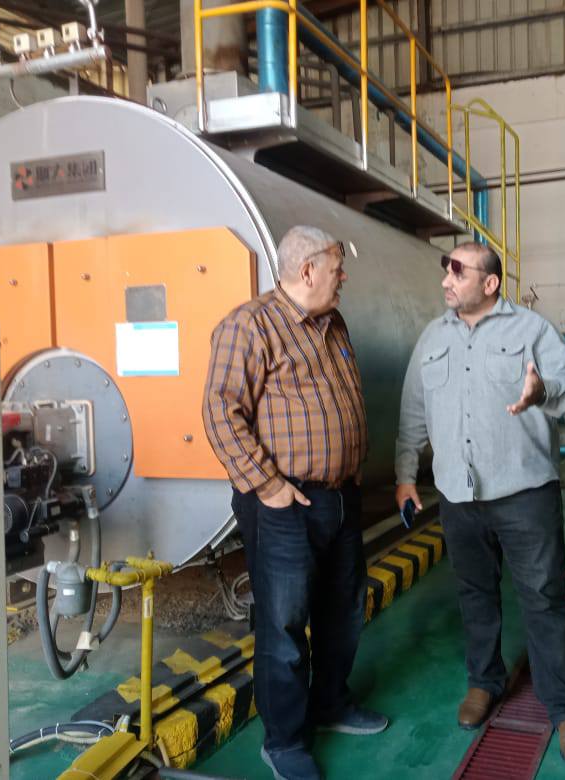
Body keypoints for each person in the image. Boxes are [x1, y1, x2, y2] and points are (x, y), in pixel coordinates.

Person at [395, 241, 565, 766]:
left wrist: (542, 392)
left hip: (525, 492)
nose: (446, 280)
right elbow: (413, 412)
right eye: (446, 270)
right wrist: (405, 476)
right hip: (458, 495)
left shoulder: (530, 329)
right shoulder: (433, 337)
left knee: (545, 598)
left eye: (458, 272)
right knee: (475, 594)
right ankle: (484, 681)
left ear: (490, 283)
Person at [203, 225, 387, 780]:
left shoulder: (334, 324)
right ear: (307, 270)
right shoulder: (250, 325)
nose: (343, 275)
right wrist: (269, 486)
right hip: (285, 504)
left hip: (339, 496)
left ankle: (330, 703)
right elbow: (220, 412)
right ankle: (284, 740)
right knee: (283, 625)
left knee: (343, 611)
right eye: (336, 265)